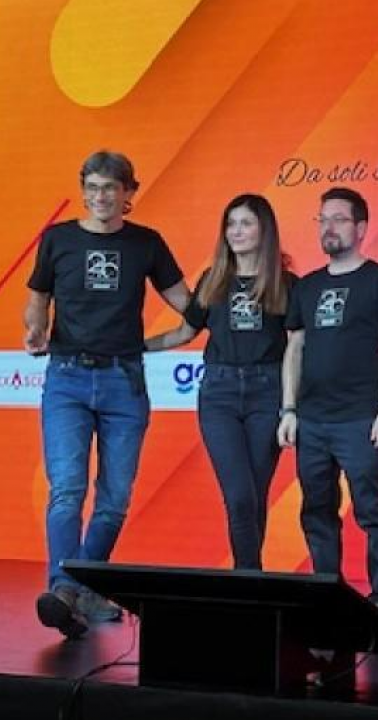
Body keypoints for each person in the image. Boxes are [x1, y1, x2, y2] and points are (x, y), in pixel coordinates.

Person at [24, 150, 189, 638]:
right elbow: (37, 299)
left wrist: (167, 339)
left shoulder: (146, 243)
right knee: (67, 489)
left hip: (124, 381)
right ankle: (66, 589)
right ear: (83, 190)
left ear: (128, 193)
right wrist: (35, 329)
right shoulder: (57, 239)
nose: (101, 197)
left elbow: (189, 306)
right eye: (93, 188)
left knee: (114, 498)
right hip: (67, 377)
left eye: (111, 188)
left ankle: (74, 591)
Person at [144, 193, 294, 569]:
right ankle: (249, 579)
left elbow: (300, 347)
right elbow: (184, 333)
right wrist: (135, 346)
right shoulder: (213, 280)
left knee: (255, 495)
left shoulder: (287, 284)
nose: (236, 231)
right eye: (230, 224)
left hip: (268, 392)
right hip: (219, 394)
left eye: (246, 223)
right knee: (239, 495)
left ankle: (248, 578)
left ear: (264, 230)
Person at [278, 187, 378, 615]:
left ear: (361, 228)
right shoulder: (307, 287)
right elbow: (294, 349)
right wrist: (289, 409)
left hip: (361, 418)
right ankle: (327, 594)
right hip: (311, 421)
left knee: (373, 510)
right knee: (317, 510)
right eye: (323, 220)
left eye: (338, 219)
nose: (328, 228)